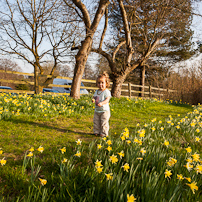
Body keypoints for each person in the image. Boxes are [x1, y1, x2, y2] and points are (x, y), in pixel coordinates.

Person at [92, 72, 111, 137]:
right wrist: (93, 99)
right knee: (96, 122)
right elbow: (94, 97)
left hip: (104, 111)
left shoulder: (106, 91)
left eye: (102, 83)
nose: (100, 84)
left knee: (104, 122)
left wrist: (102, 103)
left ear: (106, 83)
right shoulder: (97, 91)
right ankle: (96, 131)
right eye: (99, 83)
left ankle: (104, 133)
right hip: (97, 110)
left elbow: (107, 99)